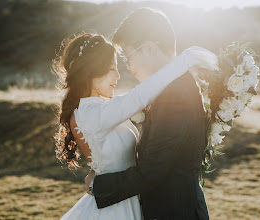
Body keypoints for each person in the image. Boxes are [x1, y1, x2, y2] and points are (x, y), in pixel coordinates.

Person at [84, 8, 214, 220]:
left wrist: (97, 185)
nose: (127, 66)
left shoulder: (175, 95)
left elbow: (151, 172)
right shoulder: (171, 88)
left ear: (151, 49)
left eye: (128, 55)